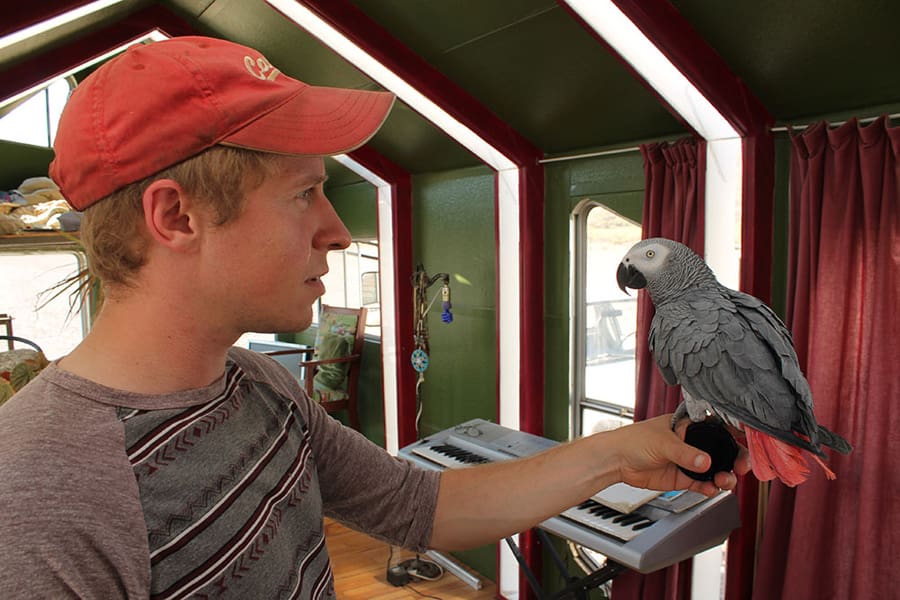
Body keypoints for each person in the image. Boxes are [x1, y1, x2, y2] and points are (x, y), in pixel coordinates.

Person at [0, 36, 749, 598]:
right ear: (177, 216)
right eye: (304, 194)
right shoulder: (42, 494)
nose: (332, 229)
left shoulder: (255, 384)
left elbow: (419, 506)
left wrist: (616, 455)